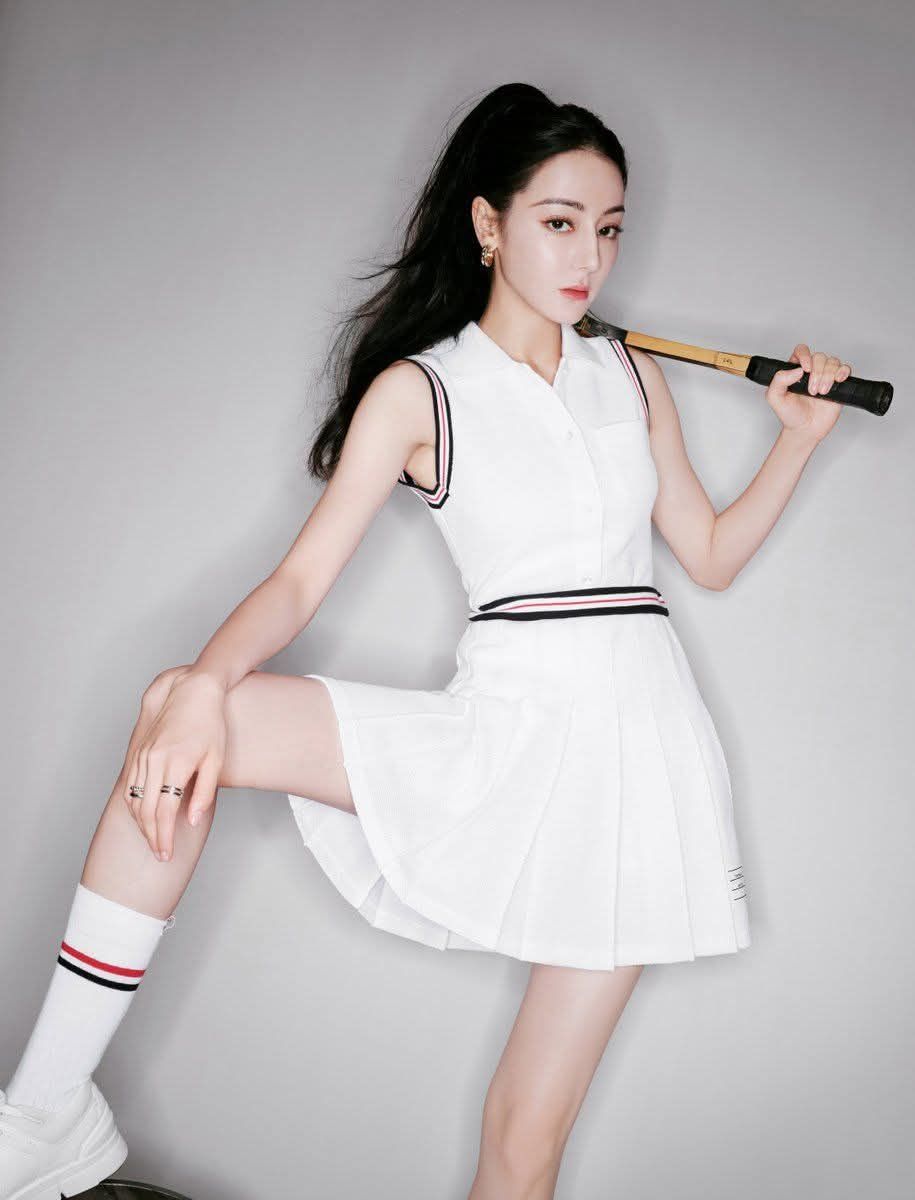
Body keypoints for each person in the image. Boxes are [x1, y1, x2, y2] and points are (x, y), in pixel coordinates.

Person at [0, 81, 852, 1200]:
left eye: (607, 228)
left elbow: (709, 554)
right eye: (559, 222)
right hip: (507, 730)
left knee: (522, 1136)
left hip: (635, 757)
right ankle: (47, 1110)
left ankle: (45, 1119)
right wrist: (205, 681)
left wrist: (797, 441)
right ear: (488, 224)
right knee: (181, 707)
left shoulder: (632, 375)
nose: (588, 257)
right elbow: (301, 578)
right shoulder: (422, 391)